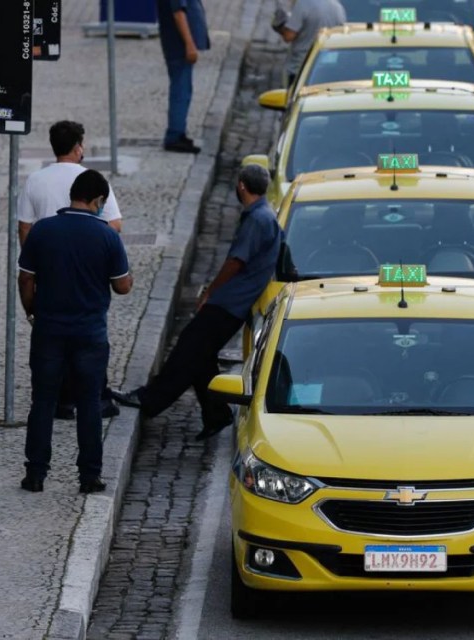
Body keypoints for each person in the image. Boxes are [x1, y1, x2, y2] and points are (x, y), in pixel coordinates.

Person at [111, 165, 281, 440]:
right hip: (235, 302)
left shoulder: (258, 220)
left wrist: (210, 291)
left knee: (188, 350)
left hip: (229, 302)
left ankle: (149, 398)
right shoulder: (264, 215)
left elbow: (235, 262)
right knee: (201, 356)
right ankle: (217, 414)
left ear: (241, 186)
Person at [17, 170, 133, 494]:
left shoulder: (43, 231)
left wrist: (31, 310)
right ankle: (89, 476)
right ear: (98, 201)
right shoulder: (107, 236)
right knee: (89, 403)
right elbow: (122, 286)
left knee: (42, 400)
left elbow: (26, 278)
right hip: (90, 333)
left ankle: (36, 473)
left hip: (49, 329)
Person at [18, 120, 124, 421]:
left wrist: (36, 260)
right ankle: (95, 396)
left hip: (48, 268)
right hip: (87, 268)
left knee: (52, 335)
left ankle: (60, 400)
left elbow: (24, 228)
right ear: (78, 147)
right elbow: (114, 224)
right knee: (90, 332)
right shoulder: (92, 179)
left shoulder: (35, 180)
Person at [156, 0, 210, 154]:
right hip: (178, 45)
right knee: (181, 90)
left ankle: (179, 132)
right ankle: (175, 135)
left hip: (175, 43)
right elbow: (179, 14)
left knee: (183, 89)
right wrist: (189, 44)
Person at [272, 0, 346, 85]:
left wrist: (280, 27)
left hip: (301, 66)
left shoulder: (303, 4)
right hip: (328, 65)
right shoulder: (337, 7)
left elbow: (289, 36)